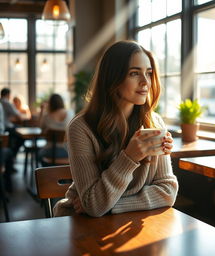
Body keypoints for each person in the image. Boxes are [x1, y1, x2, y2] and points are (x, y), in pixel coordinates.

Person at [53, 40, 178, 217]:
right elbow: (94, 206)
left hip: (127, 224)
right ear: (113, 78)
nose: (145, 82)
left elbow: (167, 191)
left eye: (148, 73)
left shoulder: (154, 123)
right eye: (134, 73)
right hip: (82, 225)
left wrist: (115, 205)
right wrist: (130, 157)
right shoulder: (81, 128)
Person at [38, 93, 73, 166]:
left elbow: (40, 128)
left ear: (50, 103)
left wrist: (42, 111)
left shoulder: (46, 116)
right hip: (68, 151)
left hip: (49, 151)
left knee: (38, 154)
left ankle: (47, 175)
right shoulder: (70, 113)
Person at [0, 88, 24, 157]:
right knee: (22, 135)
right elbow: (18, 116)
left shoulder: (1, 102)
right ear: (8, 94)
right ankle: (12, 154)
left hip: (4, 127)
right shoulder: (6, 102)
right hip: (6, 127)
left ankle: (11, 154)